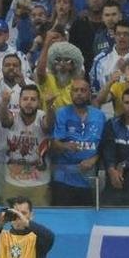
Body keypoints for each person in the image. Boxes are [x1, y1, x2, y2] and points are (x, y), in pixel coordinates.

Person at [47, 76, 106, 206]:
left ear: (90, 93)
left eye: (83, 90)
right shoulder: (62, 113)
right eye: (75, 90)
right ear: (71, 93)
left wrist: (94, 159)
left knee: (87, 220)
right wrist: (64, 146)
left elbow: (105, 146)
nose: (79, 93)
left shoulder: (99, 116)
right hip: (64, 179)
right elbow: (54, 143)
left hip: (89, 179)